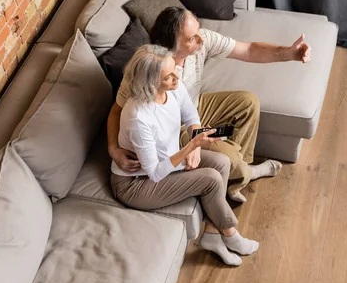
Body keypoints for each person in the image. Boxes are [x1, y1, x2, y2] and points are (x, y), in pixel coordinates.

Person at [108, 7, 312, 202]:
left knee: (248, 102)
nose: (201, 40)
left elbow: (249, 50)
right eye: (192, 38)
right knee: (227, 157)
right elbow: (117, 111)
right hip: (172, 129)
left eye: (198, 30)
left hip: (195, 109)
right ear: (171, 45)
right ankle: (245, 170)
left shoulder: (202, 41)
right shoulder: (147, 71)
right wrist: (113, 150)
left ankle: (238, 173)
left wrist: (289, 54)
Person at [110, 44, 259, 267]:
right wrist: (190, 147)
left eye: (174, 70)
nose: (176, 76)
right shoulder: (138, 118)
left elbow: (190, 116)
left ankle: (212, 235)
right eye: (168, 76)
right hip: (136, 183)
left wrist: (197, 142)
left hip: (164, 162)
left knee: (222, 162)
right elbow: (154, 173)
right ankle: (230, 234)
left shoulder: (172, 88)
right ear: (150, 83)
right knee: (210, 179)